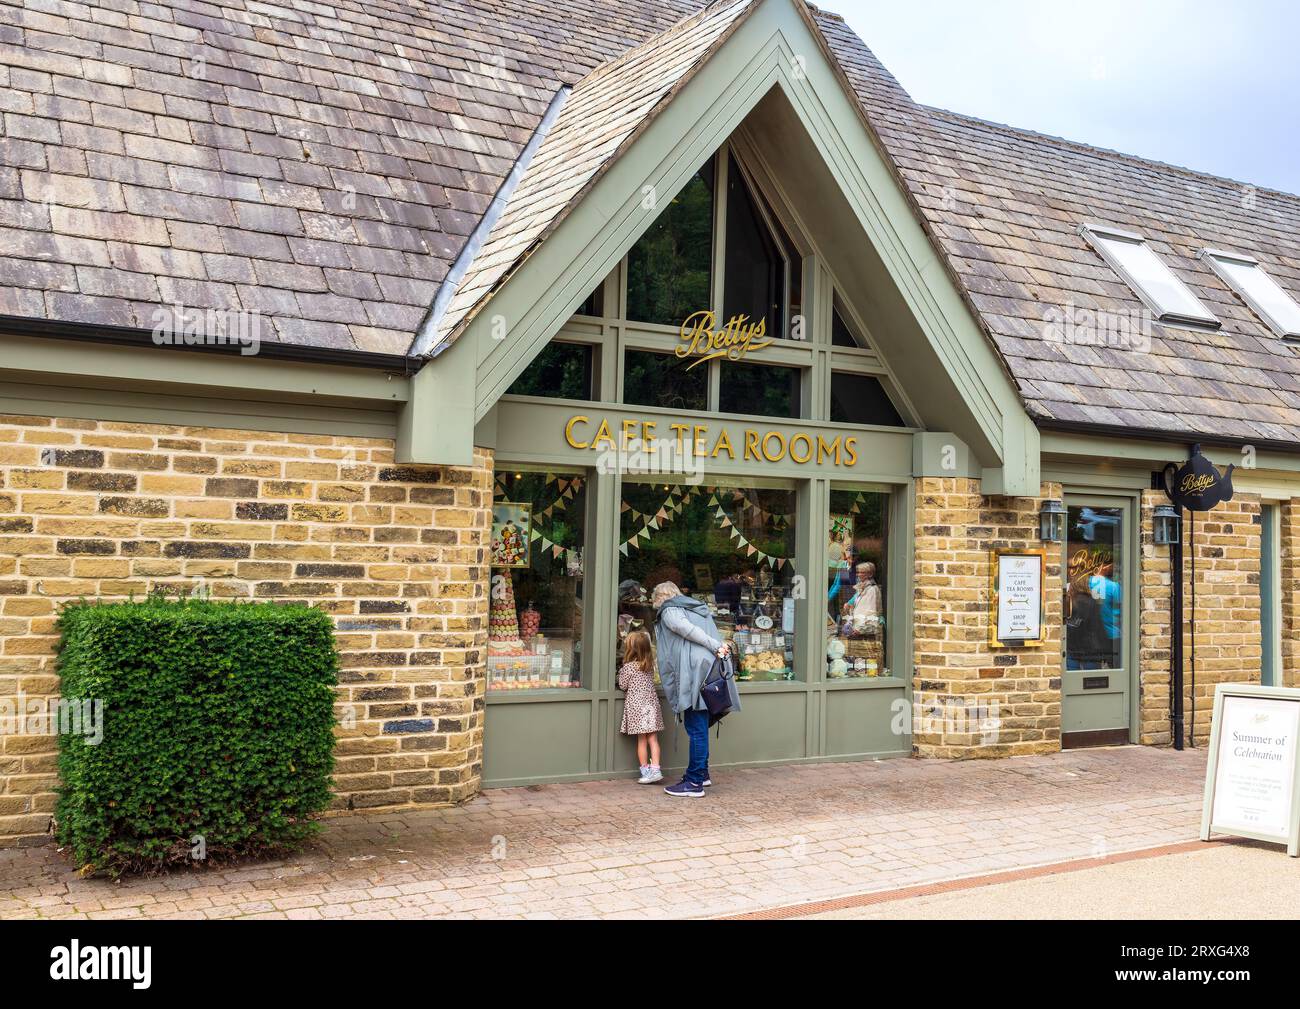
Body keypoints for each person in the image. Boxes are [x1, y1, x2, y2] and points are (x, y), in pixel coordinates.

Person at [652, 581, 740, 798]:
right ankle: (702, 774)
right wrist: (716, 647)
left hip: (694, 674)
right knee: (699, 725)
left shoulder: (671, 609)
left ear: (661, 596)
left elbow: (685, 629)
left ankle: (693, 782)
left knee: (697, 728)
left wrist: (715, 645)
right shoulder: (695, 607)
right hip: (706, 671)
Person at [617, 629, 664, 784]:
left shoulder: (629, 667)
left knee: (642, 741)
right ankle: (656, 769)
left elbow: (623, 685)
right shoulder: (649, 665)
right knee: (653, 739)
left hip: (637, 707)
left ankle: (645, 772)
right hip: (650, 705)